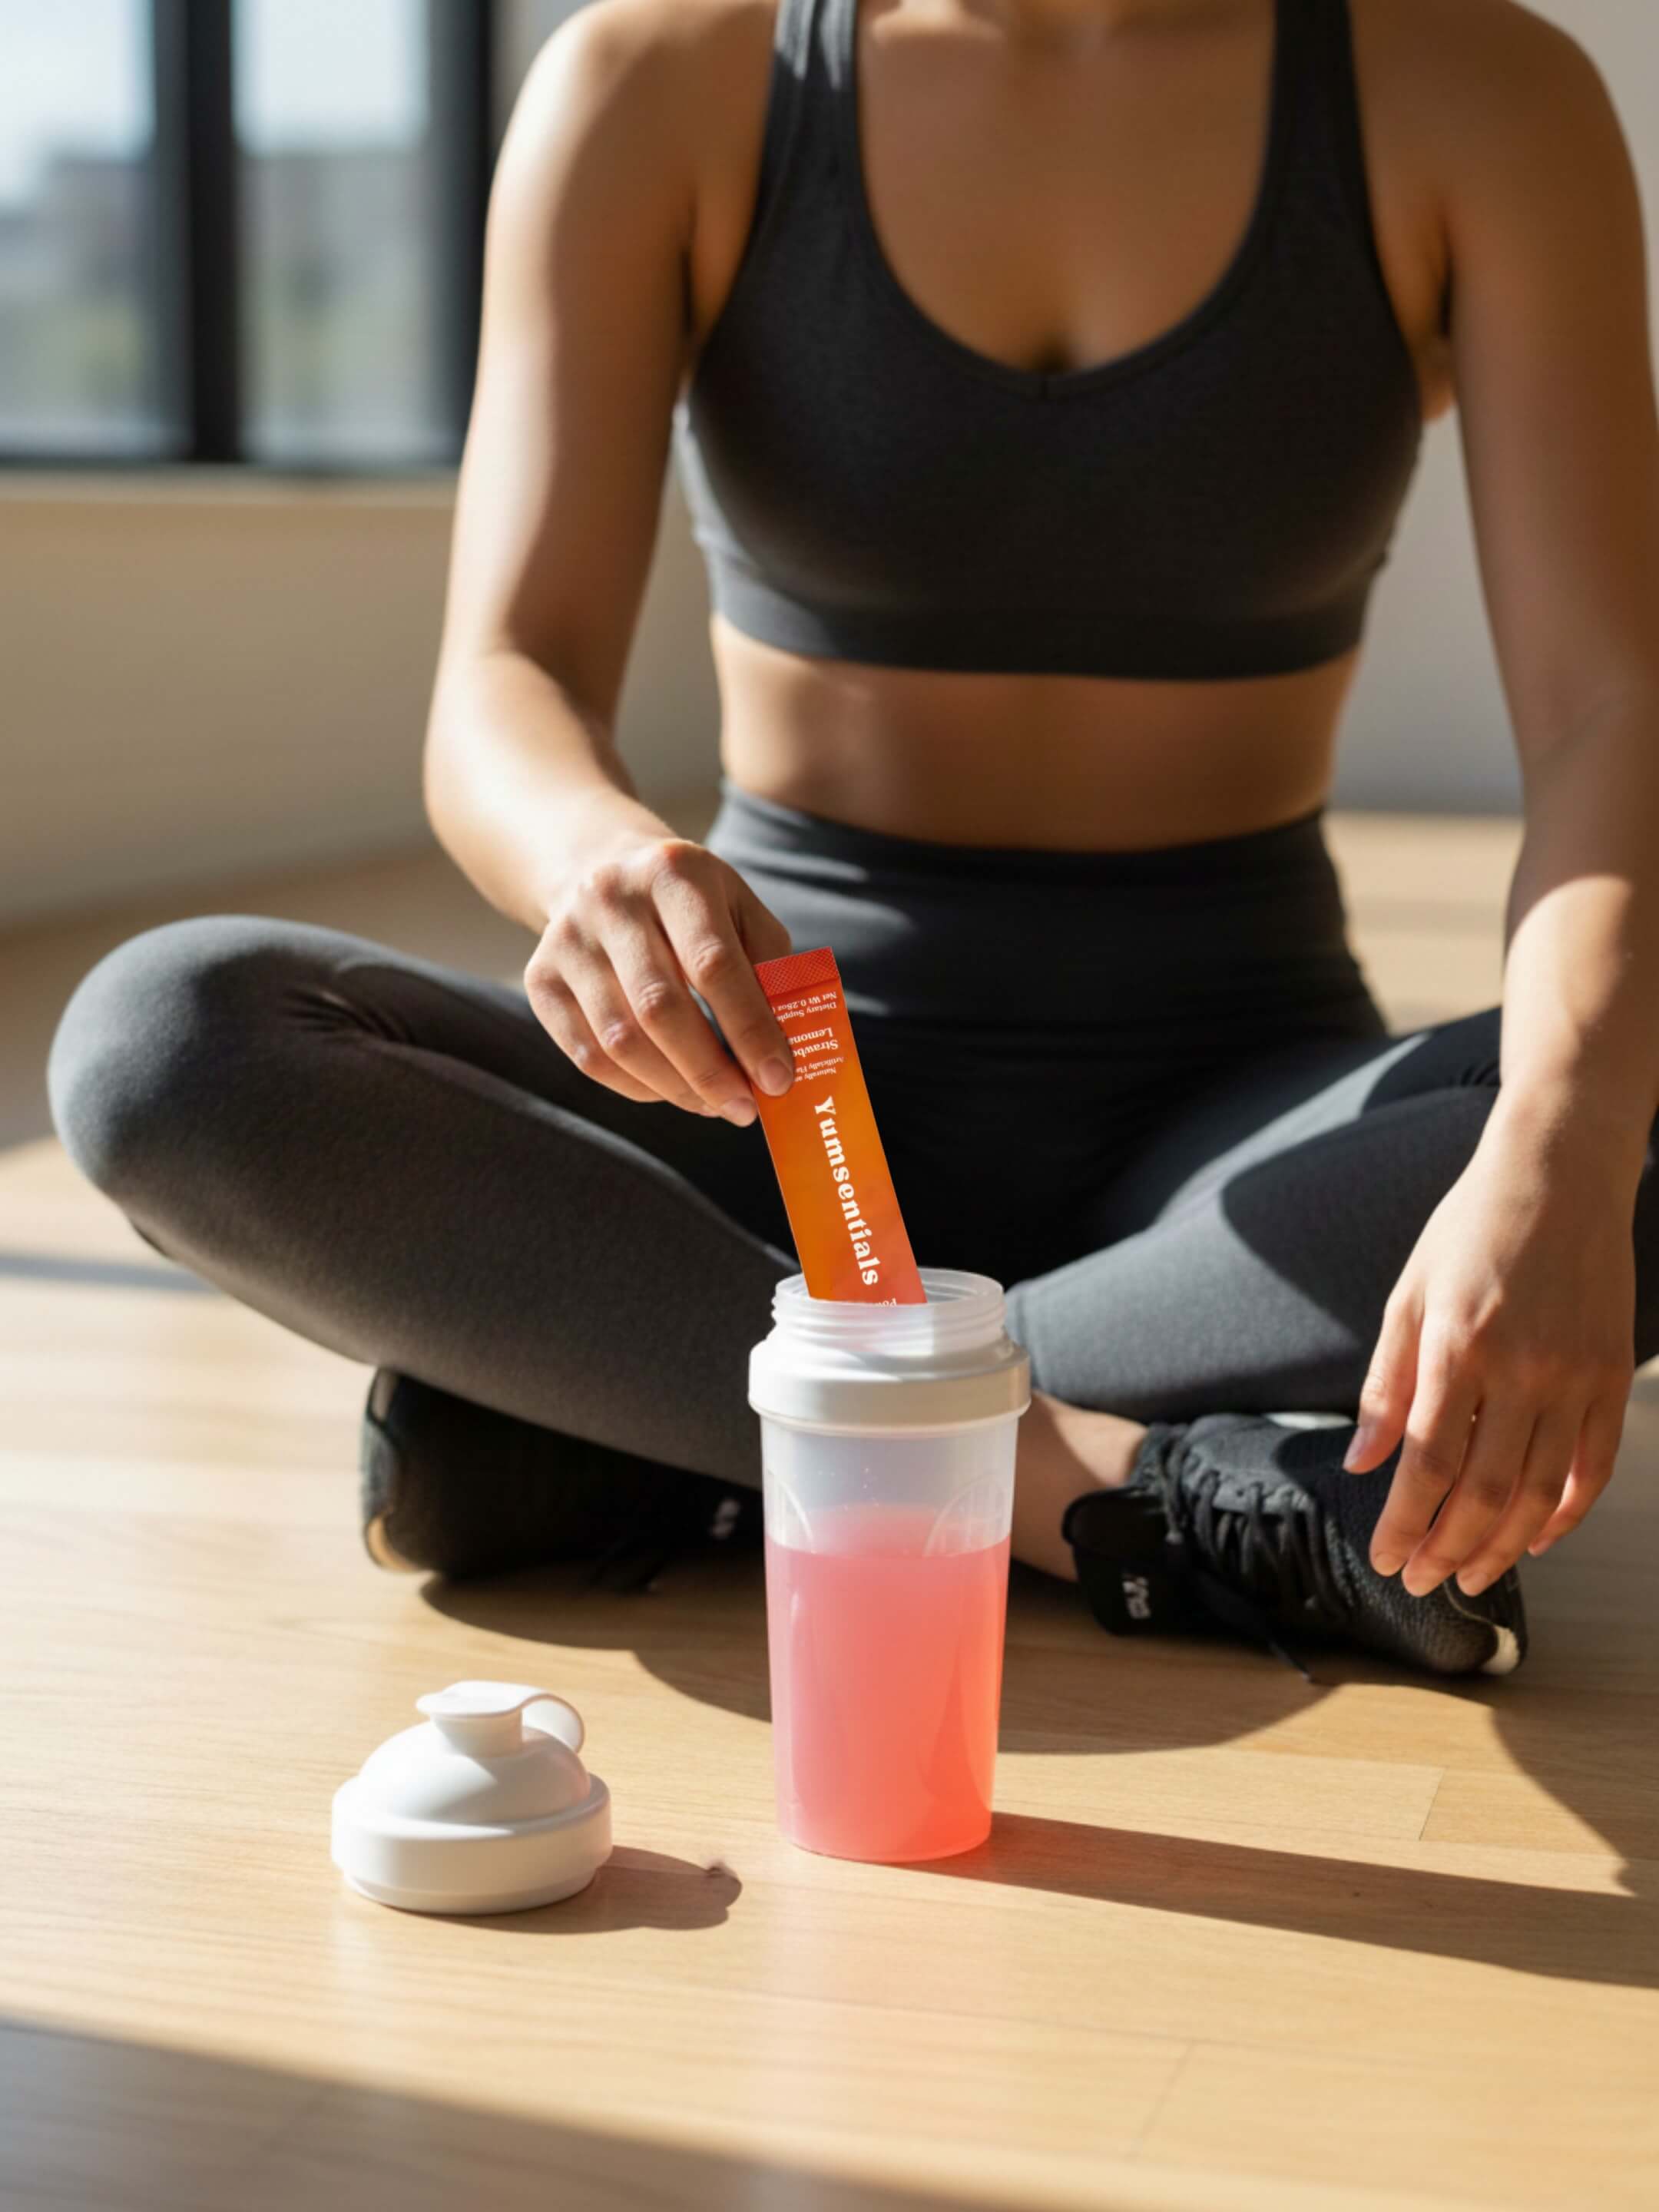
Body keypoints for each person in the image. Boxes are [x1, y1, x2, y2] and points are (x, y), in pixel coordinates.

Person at [48, 0, 1659, 1676]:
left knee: (1619, 1097)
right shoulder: (656, 81)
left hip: (1230, 1128)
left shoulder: (1480, 94)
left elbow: (1610, 710)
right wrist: (592, 859)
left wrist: (1567, 1131)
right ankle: (1090, 1490)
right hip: (767, 1088)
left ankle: (660, 1423)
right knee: (167, 1044)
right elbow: (505, 676)